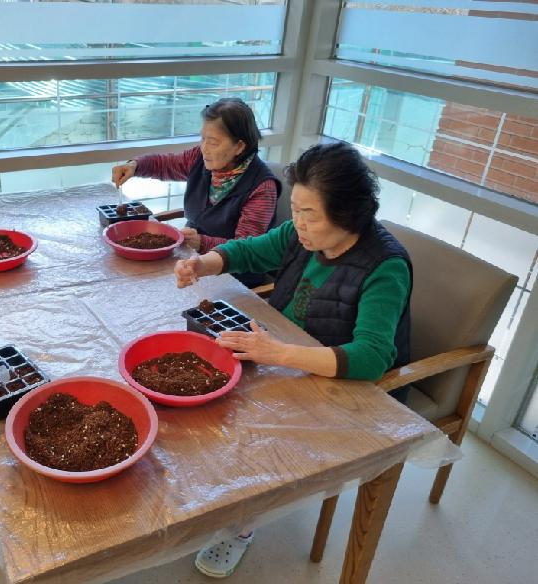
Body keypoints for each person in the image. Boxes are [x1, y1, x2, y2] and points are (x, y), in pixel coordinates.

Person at [174, 142, 412, 578]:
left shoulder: (385, 266)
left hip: (346, 385)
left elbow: (372, 356)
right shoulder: (300, 237)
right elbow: (250, 250)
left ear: (348, 213)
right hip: (287, 352)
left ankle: (240, 523)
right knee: (205, 405)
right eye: (296, 209)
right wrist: (202, 264)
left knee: (249, 428)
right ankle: (218, 497)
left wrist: (277, 352)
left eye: (310, 214)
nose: (297, 222)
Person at [112, 97, 281, 288]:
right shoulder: (200, 158)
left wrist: (202, 242)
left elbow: (245, 250)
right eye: (203, 139)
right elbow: (166, 164)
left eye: (213, 142)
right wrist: (135, 165)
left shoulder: (262, 188)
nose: (204, 148)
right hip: (191, 258)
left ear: (239, 147)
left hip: (233, 279)